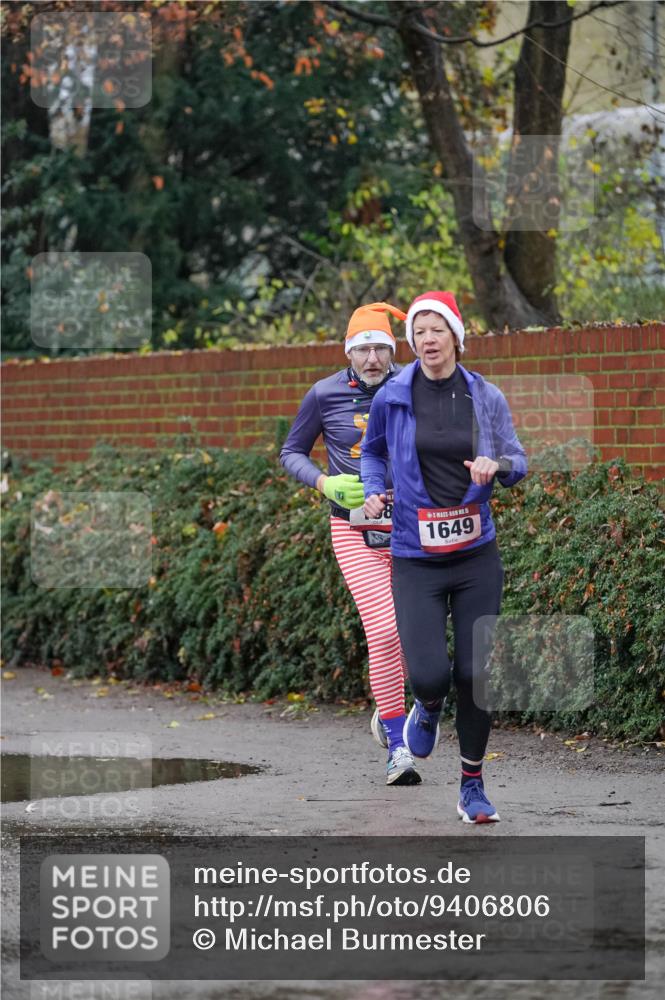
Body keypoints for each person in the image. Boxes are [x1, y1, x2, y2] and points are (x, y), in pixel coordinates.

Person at [361, 290, 527, 823]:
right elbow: (373, 453)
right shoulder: (392, 395)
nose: (428, 340)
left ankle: (472, 787)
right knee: (430, 674)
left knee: (476, 672)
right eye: (419, 332)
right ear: (411, 343)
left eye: (437, 330)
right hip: (416, 555)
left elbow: (518, 460)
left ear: (455, 336)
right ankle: (428, 705)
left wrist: (496, 465)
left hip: (476, 554)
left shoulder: (485, 396)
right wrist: (373, 490)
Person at [280, 302, 421, 787]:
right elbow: (291, 451)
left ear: (393, 350)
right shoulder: (324, 394)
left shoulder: (415, 386)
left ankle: (389, 705)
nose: (373, 358)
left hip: (413, 530)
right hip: (353, 530)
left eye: (381, 348)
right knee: (384, 630)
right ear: (349, 353)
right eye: (363, 349)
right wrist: (325, 483)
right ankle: (399, 748)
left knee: (415, 635)